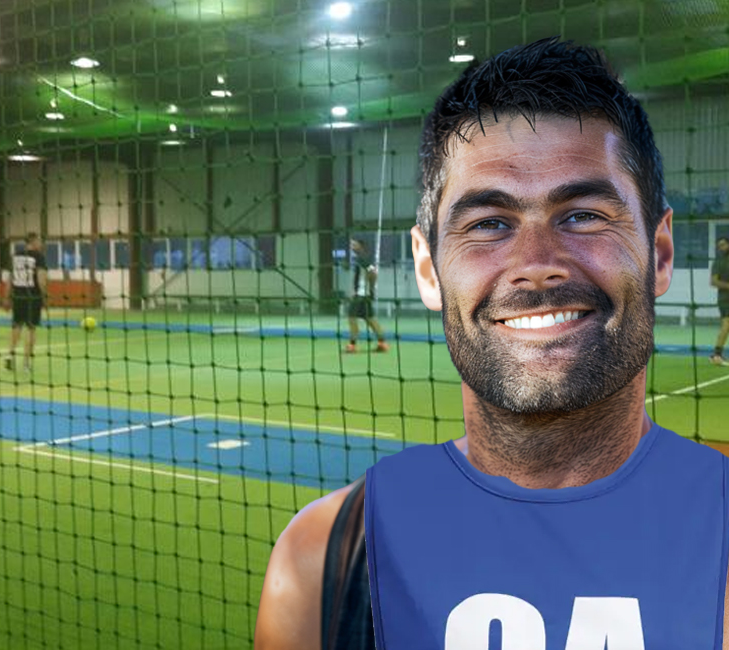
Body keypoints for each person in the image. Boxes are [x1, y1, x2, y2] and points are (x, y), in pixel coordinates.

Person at [255, 37, 729, 649]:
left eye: (582, 214)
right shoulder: (325, 559)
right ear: (428, 269)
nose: (537, 266)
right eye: (488, 224)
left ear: (659, 253)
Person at [5, 233, 47, 372]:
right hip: (33, 297)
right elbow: (41, 279)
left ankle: (9, 356)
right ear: (33, 241)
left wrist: (7, 296)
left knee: (16, 327)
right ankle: (26, 364)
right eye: (39, 241)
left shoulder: (16, 256)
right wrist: (44, 296)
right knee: (31, 329)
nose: (41, 244)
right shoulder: (38, 257)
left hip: (18, 296)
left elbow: (10, 278)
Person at [343, 238, 389, 353]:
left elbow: (373, 273)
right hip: (365, 295)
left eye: (354, 244)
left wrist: (370, 289)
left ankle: (352, 345)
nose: (352, 246)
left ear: (361, 245)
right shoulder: (363, 258)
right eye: (351, 244)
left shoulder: (362, 259)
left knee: (351, 318)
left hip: (360, 296)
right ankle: (382, 343)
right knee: (370, 319)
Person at [710, 236, 729, 365]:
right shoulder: (718, 262)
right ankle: (716, 355)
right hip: (725, 299)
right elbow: (713, 281)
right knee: (726, 325)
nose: (721, 248)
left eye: (723, 245)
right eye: (719, 246)